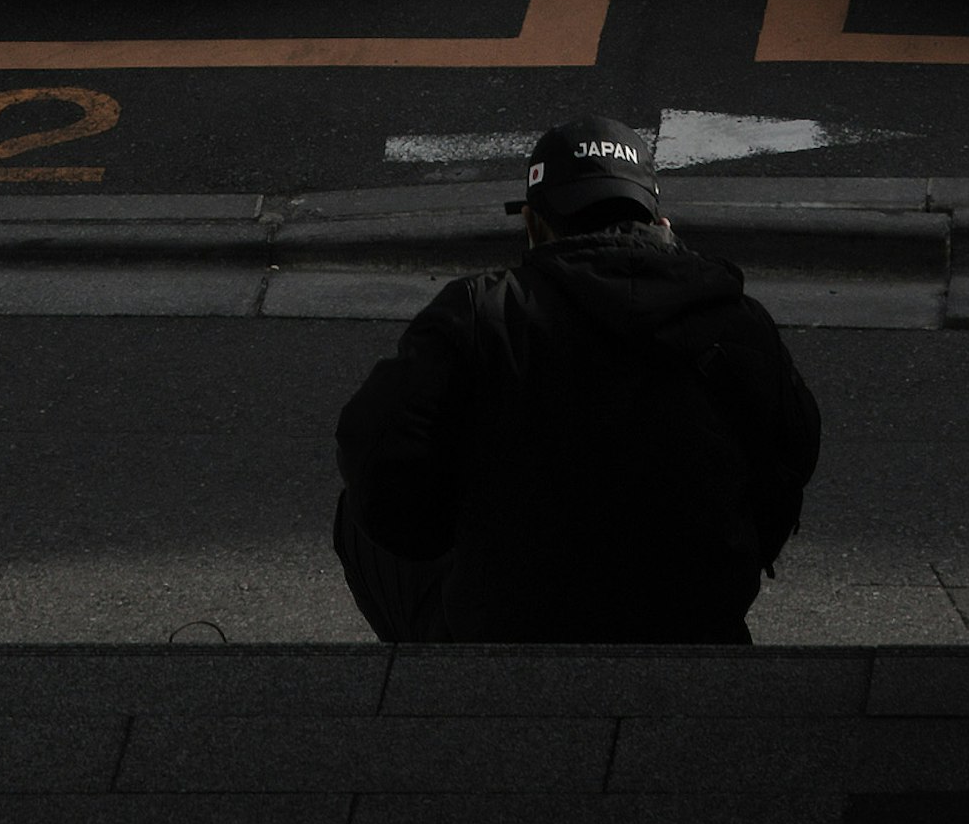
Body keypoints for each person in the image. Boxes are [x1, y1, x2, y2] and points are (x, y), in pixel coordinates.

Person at [332, 124, 824, 642]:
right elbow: (790, 459)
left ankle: (435, 680)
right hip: (695, 619)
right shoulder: (738, 320)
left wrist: (450, 535)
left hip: (509, 626)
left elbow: (374, 450)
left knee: (356, 515)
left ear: (532, 224)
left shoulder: (480, 313)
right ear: (661, 222)